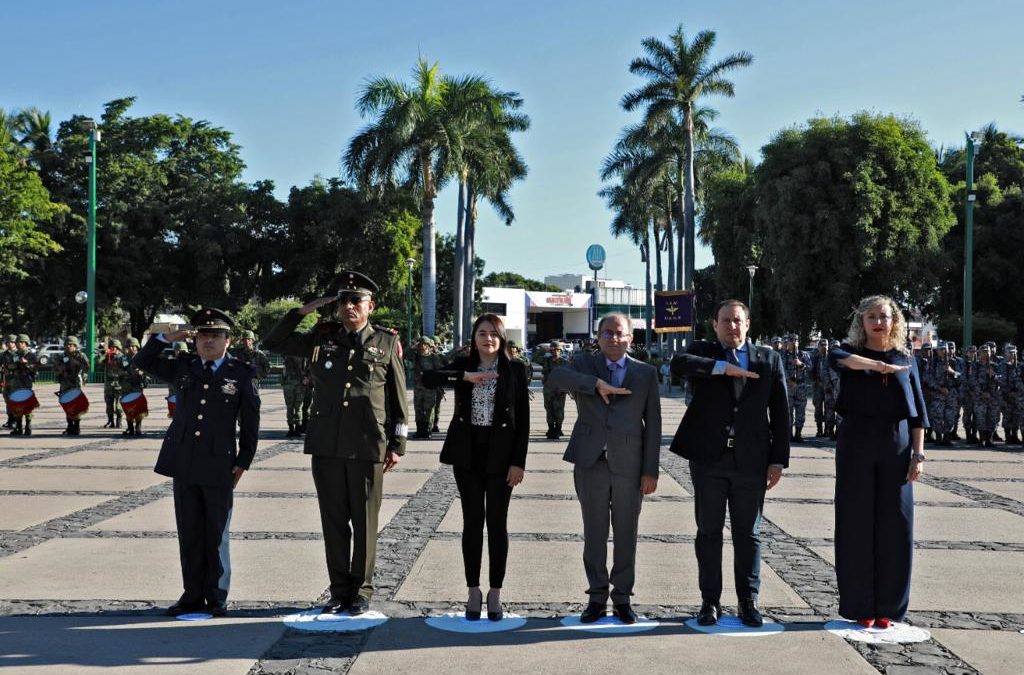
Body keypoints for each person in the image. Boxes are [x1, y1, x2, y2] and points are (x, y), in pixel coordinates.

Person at [262, 271, 408, 616]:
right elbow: (274, 342)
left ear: (370, 306)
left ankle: (362, 590)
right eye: (343, 301)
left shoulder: (386, 343)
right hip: (326, 442)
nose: (348, 307)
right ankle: (339, 589)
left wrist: (396, 445)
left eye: (356, 300)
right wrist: (302, 312)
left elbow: (398, 399)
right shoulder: (321, 337)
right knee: (333, 519)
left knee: (365, 520)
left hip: (368, 442)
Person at [132, 308, 261, 617]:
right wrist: (165, 337)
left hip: (220, 462)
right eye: (203, 335)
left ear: (228, 340)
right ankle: (191, 594)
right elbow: (142, 362)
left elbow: (251, 422)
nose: (208, 341)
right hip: (185, 459)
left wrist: (243, 461)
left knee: (216, 532)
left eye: (215, 336)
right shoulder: (184, 366)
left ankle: (216, 595)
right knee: (189, 531)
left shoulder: (241, 372)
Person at [669, 300, 789, 628]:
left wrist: (778, 460)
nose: (732, 327)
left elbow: (780, 413)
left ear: (748, 325)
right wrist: (722, 368)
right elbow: (678, 364)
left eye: (738, 321)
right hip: (709, 460)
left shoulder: (769, 359)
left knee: (747, 534)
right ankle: (710, 601)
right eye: (726, 321)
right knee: (708, 531)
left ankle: (748, 601)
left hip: (751, 461)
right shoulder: (705, 352)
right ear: (715, 324)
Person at [546, 313, 661, 625]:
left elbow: (653, 426)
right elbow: (555, 379)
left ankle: (622, 597)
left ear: (630, 338)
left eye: (619, 333)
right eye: (606, 333)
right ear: (597, 337)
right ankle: (596, 596)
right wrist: (594, 384)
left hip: (630, 465)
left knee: (626, 533)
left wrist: (650, 470)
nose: (613, 338)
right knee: (594, 533)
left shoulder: (645, 373)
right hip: (590, 462)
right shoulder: (584, 364)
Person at [828, 295, 928, 628]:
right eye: (871, 316)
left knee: (896, 524)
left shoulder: (907, 358)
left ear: (894, 321)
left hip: (896, 444)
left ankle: (889, 607)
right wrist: (878, 365)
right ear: (861, 322)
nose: (878, 322)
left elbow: (918, 415)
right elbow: (842, 360)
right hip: (856, 441)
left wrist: (918, 454)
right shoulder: (844, 351)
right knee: (855, 522)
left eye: (884, 316)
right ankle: (861, 606)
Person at [422, 313, 530, 621]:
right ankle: (473, 590)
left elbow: (522, 422)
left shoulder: (515, 369)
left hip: (502, 456)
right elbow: (428, 378)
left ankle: (495, 591)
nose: (488, 339)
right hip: (467, 456)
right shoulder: (463, 364)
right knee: (472, 522)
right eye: (482, 333)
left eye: (494, 333)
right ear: (474, 337)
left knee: (497, 523)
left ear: (502, 338)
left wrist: (518, 462)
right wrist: (464, 377)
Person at [54, 336, 90, 436]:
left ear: (75, 346)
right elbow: (55, 368)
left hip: (75, 384)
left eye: (71, 345)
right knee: (67, 405)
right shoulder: (62, 356)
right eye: (67, 344)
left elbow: (87, 367)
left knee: (76, 405)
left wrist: (82, 375)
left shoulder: (81, 356)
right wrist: (59, 369)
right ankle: (70, 426)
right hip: (65, 384)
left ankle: (77, 426)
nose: (68, 346)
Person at [6, 335, 38, 436]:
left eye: (20, 342)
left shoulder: (31, 355)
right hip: (15, 383)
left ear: (25, 343)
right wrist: (11, 366)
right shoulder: (14, 355)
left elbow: (36, 368)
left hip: (26, 383)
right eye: (17, 342)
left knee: (27, 405)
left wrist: (26, 363)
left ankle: (28, 427)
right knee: (17, 405)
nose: (18, 344)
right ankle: (18, 427)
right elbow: (9, 365)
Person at [411, 337, 442, 438]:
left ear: (429, 346)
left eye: (425, 344)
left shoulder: (434, 357)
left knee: (429, 410)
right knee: (418, 409)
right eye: (421, 345)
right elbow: (404, 355)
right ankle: (419, 429)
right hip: (418, 388)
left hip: (430, 388)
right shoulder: (415, 356)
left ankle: (427, 430)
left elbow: (440, 371)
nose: (423, 347)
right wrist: (412, 347)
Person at [783, 335, 811, 441]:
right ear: (788, 342)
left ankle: (798, 434)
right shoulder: (784, 355)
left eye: (796, 340)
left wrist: (801, 364)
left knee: (800, 411)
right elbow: (782, 368)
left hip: (801, 386)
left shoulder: (803, 354)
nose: (794, 342)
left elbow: (810, 367)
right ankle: (789, 434)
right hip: (789, 386)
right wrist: (788, 380)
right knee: (788, 411)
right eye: (791, 340)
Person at [540, 342, 570, 438]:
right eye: (554, 350)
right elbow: (534, 357)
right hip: (548, 389)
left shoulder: (564, 362)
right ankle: (551, 429)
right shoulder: (546, 360)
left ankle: (558, 429)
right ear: (551, 351)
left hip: (559, 390)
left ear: (560, 351)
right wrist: (543, 349)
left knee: (559, 410)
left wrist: (564, 388)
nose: (556, 352)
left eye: (558, 350)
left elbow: (568, 377)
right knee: (549, 409)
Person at [120, 337, 148, 436]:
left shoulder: (142, 358)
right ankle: (130, 428)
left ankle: (138, 428)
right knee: (128, 407)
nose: (131, 348)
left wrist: (142, 373)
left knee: (139, 407)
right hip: (126, 386)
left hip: (137, 386)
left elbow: (149, 372)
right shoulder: (123, 358)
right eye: (129, 346)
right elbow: (116, 371)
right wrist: (126, 373)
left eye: (133, 346)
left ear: (137, 347)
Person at [281, 353, 309, 437]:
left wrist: (307, 378)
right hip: (291, 384)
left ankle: (296, 428)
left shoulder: (304, 355)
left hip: (297, 384)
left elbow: (309, 367)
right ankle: (292, 428)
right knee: (292, 407)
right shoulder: (288, 353)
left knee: (297, 406)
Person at [103, 339, 127, 429]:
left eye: (115, 347)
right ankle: (110, 421)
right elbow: (98, 362)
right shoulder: (108, 357)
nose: (113, 348)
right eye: (111, 347)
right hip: (109, 385)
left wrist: (119, 372)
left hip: (119, 385)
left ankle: (119, 421)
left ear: (118, 348)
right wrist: (105, 354)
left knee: (118, 405)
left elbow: (127, 369)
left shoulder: (122, 358)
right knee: (109, 404)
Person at [2, 334, 18, 429]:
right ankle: (10, 419)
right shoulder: (4, 355)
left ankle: (16, 421)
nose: (10, 344)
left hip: (18, 382)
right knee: (8, 400)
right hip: (8, 381)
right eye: (8, 342)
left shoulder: (19, 354)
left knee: (16, 401)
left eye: (12, 342)